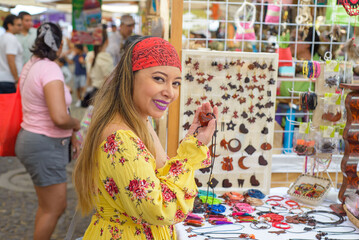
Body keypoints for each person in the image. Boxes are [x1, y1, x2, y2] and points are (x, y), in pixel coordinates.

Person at [73, 36, 218, 239]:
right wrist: (190, 155)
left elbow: (160, 177)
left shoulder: (139, 121)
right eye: (159, 79)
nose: (170, 92)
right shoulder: (120, 138)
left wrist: (195, 141)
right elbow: (162, 209)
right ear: (130, 78)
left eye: (176, 83)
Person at [15, 22, 80, 240]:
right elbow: (60, 118)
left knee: (47, 206)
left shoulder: (31, 64)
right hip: (44, 143)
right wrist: (76, 124)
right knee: (54, 207)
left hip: (32, 139)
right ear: (59, 45)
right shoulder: (50, 68)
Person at [83, 25, 113, 107]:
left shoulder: (89, 55)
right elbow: (109, 80)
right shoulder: (105, 57)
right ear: (107, 41)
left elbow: (88, 79)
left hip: (93, 93)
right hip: (103, 95)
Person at [0, 14, 23, 93]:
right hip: (9, 80)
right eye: (18, 25)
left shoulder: (3, 37)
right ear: (10, 25)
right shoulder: (11, 38)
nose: (21, 27)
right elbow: (11, 60)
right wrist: (16, 80)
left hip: (3, 79)